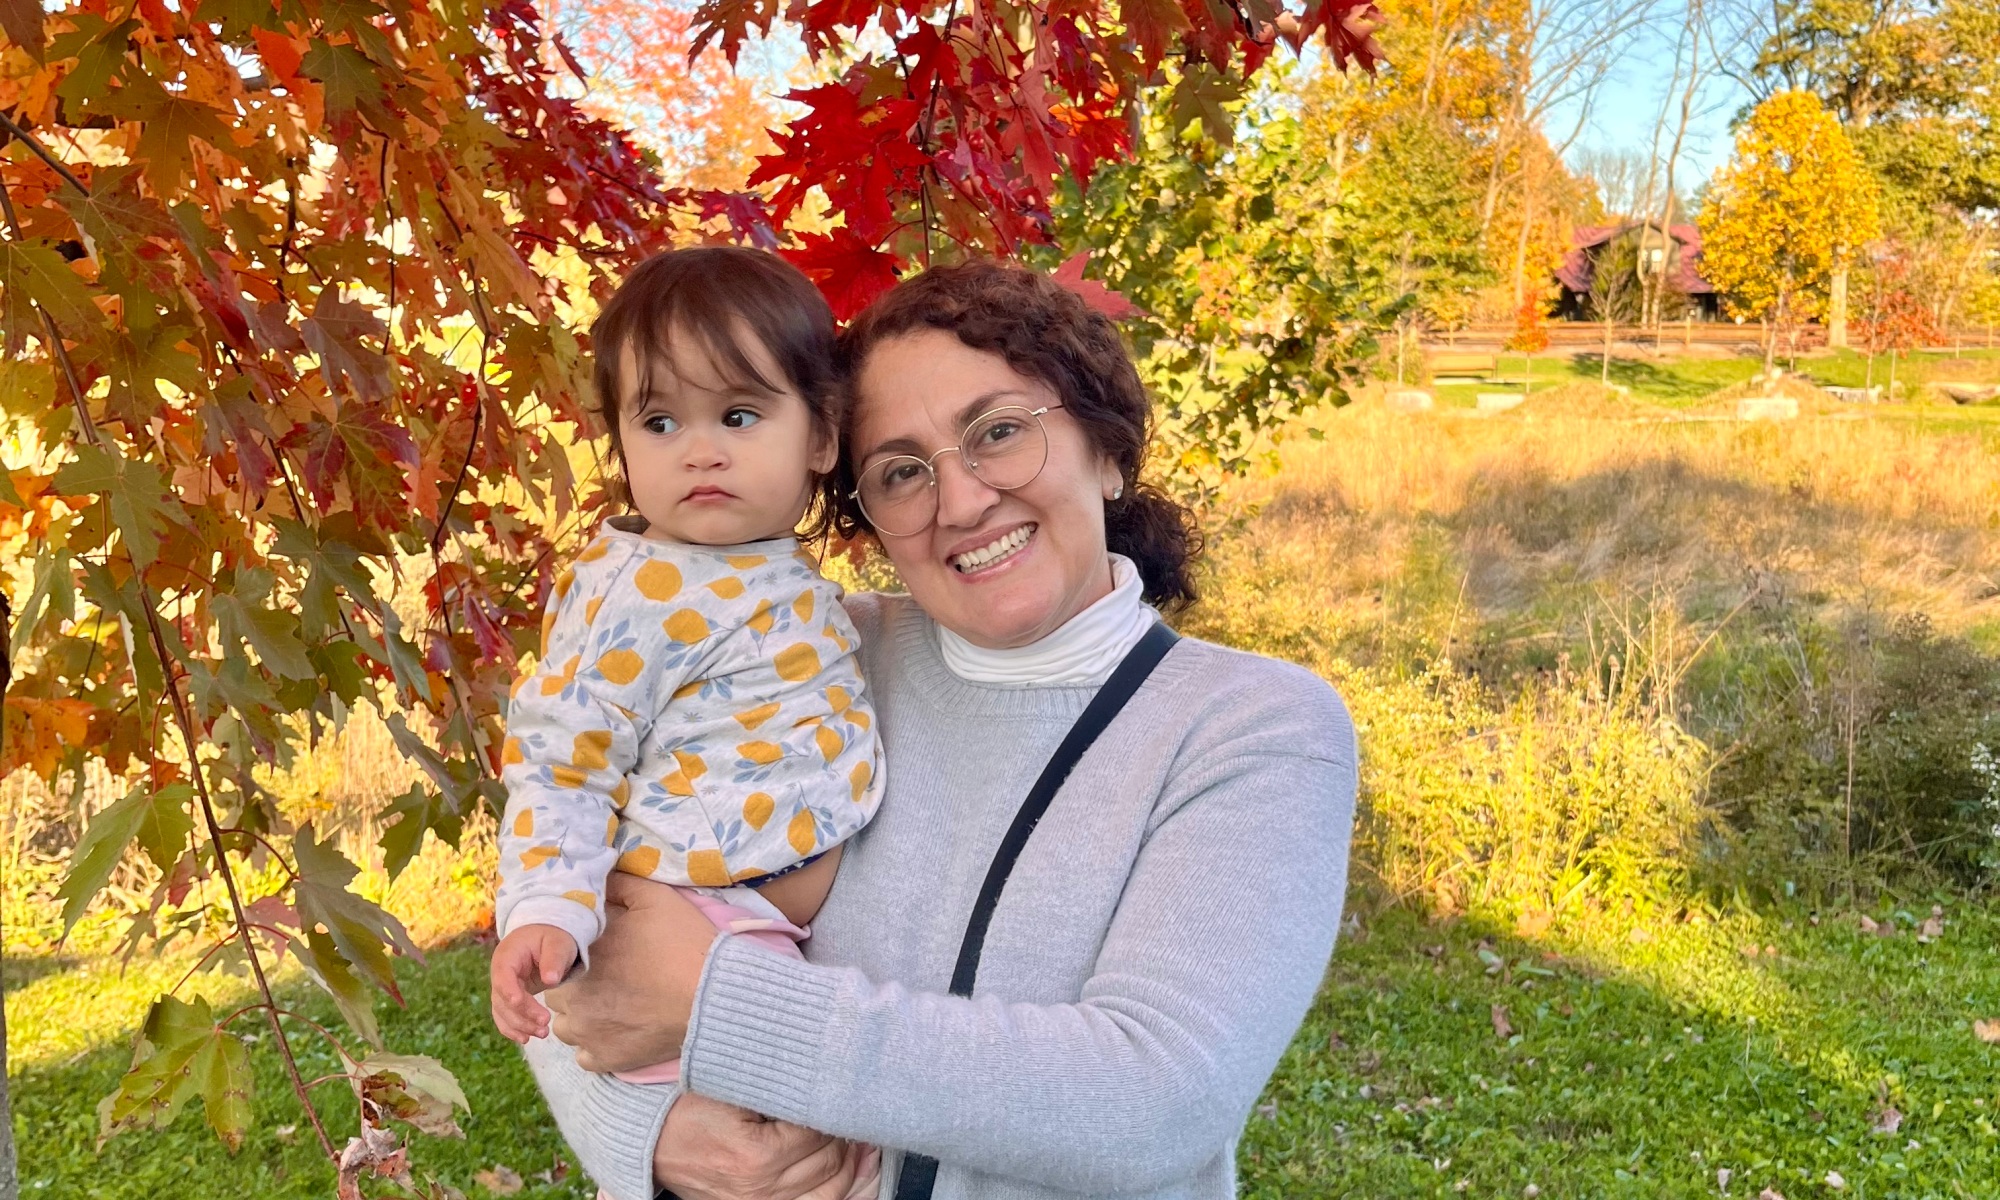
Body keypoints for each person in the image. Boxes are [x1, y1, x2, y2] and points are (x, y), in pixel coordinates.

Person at [525, 260, 1359, 1200]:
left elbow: (1153, 1103)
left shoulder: (1252, 729)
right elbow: (562, 909)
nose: (960, 503)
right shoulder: (796, 663)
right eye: (902, 472)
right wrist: (651, 1134)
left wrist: (716, 1004)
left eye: (999, 432)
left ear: (1107, 449)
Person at [491, 244, 883, 1154]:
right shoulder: (634, 593)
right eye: (660, 421)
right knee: (780, 1155)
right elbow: (558, 763)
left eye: (739, 415)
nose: (700, 450)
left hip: (751, 922)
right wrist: (546, 906)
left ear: (822, 438)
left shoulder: (762, 568)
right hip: (698, 928)